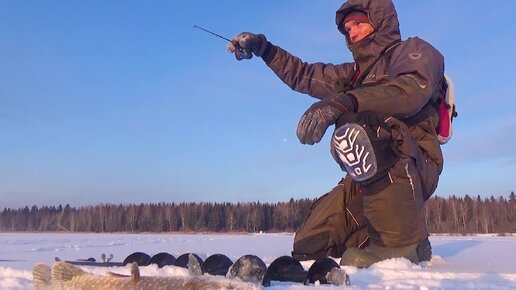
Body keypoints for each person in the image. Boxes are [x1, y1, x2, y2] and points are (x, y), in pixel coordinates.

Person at [228, 0, 445, 268]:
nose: (350, 32)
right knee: (311, 244)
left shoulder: (414, 51)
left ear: (379, 20)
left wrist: (346, 102)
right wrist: (264, 49)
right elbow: (305, 75)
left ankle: (405, 246)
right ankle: (375, 237)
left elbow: (410, 91)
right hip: (370, 173)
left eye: (358, 23)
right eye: (346, 28)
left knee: (360, 124)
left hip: (412, 162)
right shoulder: (353, 74)